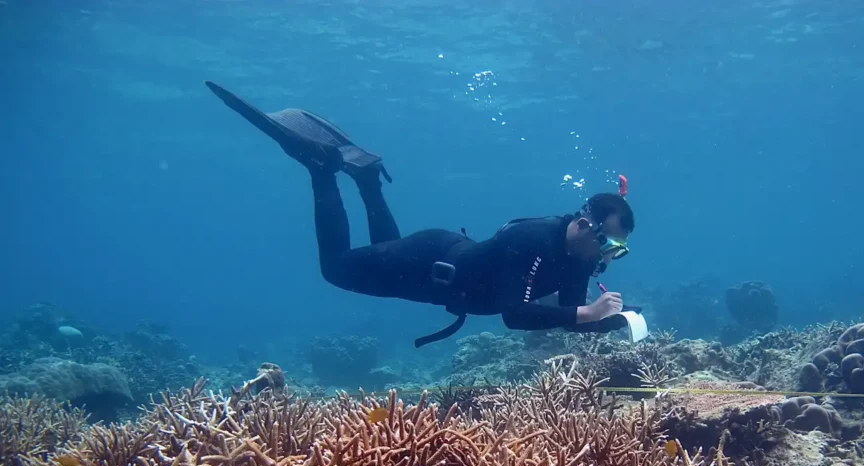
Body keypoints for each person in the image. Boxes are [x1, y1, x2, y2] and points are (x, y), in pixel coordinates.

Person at [206, 81, 638, 347]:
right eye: (605, 241)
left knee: (375, 250)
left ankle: (368, 178)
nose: (607, 254)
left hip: (439, 259)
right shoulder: (535, 242)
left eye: (616, 249)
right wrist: (588, 313)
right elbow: (515, 314)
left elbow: (568, 316)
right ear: (584, 224)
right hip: (425, 262)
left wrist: (618, 319)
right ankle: (322, 170)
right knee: (334, 270)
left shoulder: (577, 255)